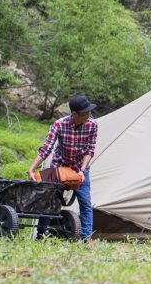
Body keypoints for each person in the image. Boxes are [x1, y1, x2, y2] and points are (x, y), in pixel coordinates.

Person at [28, 94, 99, 240]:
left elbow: (90, 150)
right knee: (51, 201)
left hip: (80, 168)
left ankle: (86, 238)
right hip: (59, 168)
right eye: (86, 113)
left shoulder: (93, 125)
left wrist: (82, 171)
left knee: (85, 203)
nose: (89, 115)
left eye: (89, 112)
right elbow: (46, 148)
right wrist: (32, 169)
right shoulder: (59, 124)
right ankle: (41, 235)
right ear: (74, 114)